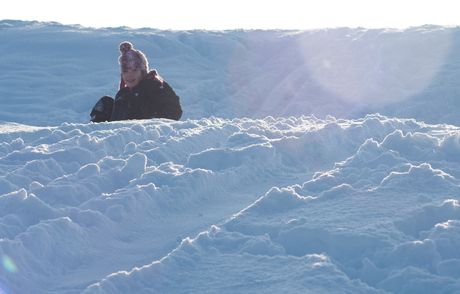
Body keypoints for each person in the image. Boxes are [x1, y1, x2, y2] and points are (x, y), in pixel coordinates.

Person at [90, 42, 182, 122]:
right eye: (126, 71)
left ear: (143, 72)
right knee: (105, 102)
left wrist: (154, 122)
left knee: (124, 94)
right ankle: (95, 134)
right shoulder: (129, 94)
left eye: (134, 70)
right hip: (132, 122)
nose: (129, 75)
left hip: (146, 128)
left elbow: (175, 109)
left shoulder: (153, 84)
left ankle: (115, 131)